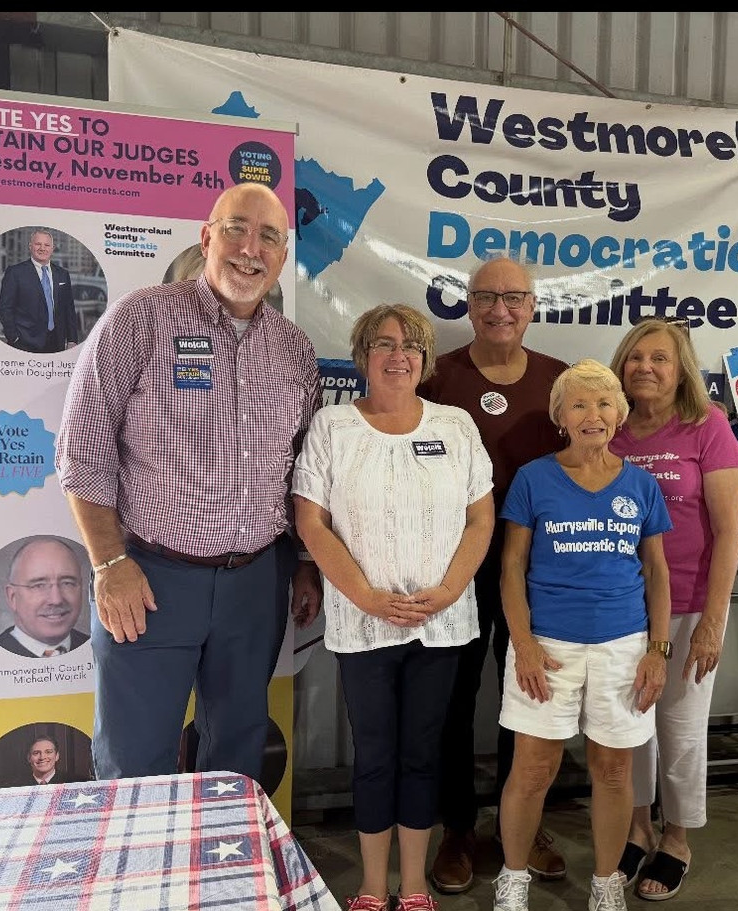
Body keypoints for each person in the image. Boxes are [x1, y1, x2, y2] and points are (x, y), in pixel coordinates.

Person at [55, 182, 323, 783]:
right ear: (206, 237)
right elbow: (83, 450)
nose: (250, 249)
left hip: (256, 580)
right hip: (149, 578)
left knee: (236, 750)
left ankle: (222, 875)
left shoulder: (294, 351)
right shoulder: (141, 317)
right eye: (236, 229)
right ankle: (137, 875)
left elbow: (304, 469)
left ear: (282, 258)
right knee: (134, 757)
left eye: (269, 237)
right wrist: (107, 565)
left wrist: (304, 564)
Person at [293, 303, 494, 911]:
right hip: (363, 624)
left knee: (421, 753)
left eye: (410, 345)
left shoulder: (456, 427)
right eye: (382, 344)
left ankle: (412, 886)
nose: (397, 354)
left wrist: (453, 587)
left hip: (441, 625)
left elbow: (480, 518)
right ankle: (373, 887)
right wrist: (366, 596)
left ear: (426, 360)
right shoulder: (331, 427)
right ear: (362, 357)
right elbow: (311, 520)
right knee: (375, 756)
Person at [492, 358, 673, 911]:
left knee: (614, 771)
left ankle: (605, 883)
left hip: (623, 648)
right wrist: (522, 643)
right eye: (578, 404)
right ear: (561, 417)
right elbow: (511, 568)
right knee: (533, 770)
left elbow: (658, 574)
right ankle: (514, 877)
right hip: (548, 647)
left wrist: (658, 651)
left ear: (618, 415)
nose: (591, 415)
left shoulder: (641, 485)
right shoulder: (534, 478)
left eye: (602, 404)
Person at [417, 255, 570, 894]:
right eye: (486, 296)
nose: (499, 309)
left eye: (513, 297)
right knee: (453, 699)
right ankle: (457, 827)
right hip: (455, 568)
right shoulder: (436, 377)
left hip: (540, 573)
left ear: (533, 306)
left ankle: (523, 820)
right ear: (468, 303)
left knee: (528, 698)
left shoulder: (560, 381)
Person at [607, 318, 738, 901]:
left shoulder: (707, 428)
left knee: (681, 730)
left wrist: (713, 621)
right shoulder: (609, 428)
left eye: (659, 358)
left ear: (680, 367)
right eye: (636, 357)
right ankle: (636, 827)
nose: (645, 368)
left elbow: (729, 533)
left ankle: (677, 838)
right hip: (619, 610)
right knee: (628, 727)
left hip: (690, 605)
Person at [0, 536, 89, 658]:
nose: (56, 599)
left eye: (67, 583)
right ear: (12, 597)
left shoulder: (98, 649)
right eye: (39, 585)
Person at [0, 228, 80, 353]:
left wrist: (72, 340)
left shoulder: (63, 274)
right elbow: (5, 308)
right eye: (38, 244)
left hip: (56, 344)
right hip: (25, 343)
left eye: (47, 245)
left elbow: (69, 308)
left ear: (52, 248)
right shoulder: (15, 272)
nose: (42, 248)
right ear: (30, 246)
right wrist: (14, 338)